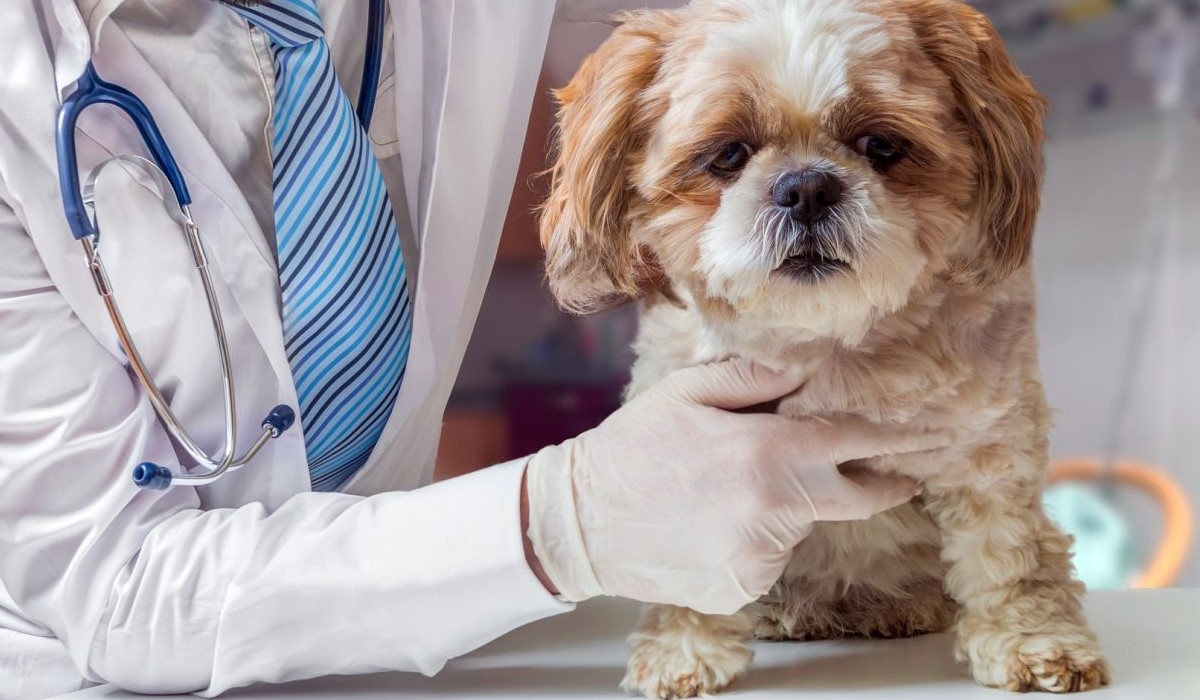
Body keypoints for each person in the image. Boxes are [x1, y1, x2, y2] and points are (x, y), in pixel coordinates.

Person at [0, 1, 944, 697]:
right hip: (90, 676)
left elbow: (735, 52)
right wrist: (561, 522)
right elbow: (113, 588)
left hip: (413, 659)